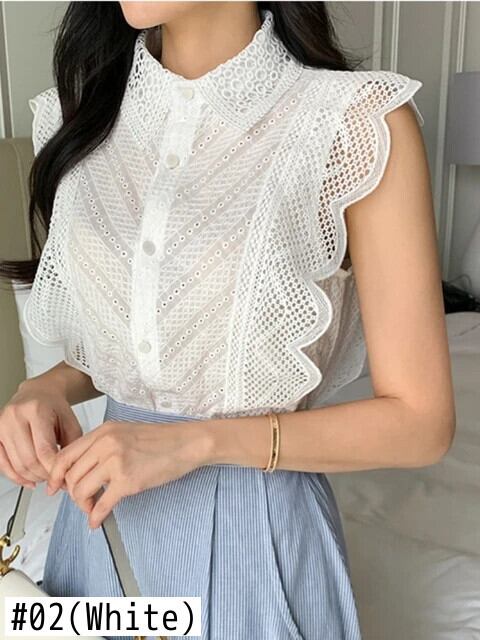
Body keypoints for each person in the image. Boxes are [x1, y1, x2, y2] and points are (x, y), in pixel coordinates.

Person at [0, 2, 456, 639]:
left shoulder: (351, 124)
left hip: (254, 532)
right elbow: (146, 340)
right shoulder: (80, 117)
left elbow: (421, 424)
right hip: (98, 524)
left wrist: (199, 442)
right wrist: (46, 387)